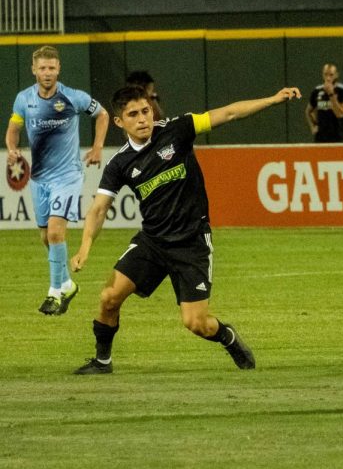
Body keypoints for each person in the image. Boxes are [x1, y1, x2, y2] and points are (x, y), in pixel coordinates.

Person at [69, 85, 302, 374]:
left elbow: (228, 113)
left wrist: (273, 98)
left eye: (145, 110)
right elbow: (99, 209)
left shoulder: (178, 129)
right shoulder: (119, 164)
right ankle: (102, 362)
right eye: (133, 114)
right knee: (108, 298)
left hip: (191, 242)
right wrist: (84, 247)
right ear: (119, 122)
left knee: (197, 324)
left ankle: (227, 337)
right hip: (153, 242)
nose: (143, 118)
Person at [5, 45, 110, 315]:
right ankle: (66, 283)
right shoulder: (23, 99)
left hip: (67, 176)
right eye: (42, 68)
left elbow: (102, 114)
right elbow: (13, 129)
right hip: (39, 178)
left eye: (52, 68)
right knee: (46, 237)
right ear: (34, 70)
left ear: (59, 69)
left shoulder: (72, 97)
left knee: (54, 232)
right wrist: (12, 149)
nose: (47, 73)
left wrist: (98, 146)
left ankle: (54, 293)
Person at [305, 63, 343, 142]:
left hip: (338, 137)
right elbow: (309, 111)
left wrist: (331, 94)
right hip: (321, 138)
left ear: (336, 75)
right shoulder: (317, 90)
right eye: (325, 74)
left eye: (331, 75)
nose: (328, 78)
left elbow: (340, 114)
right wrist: (313, 126)